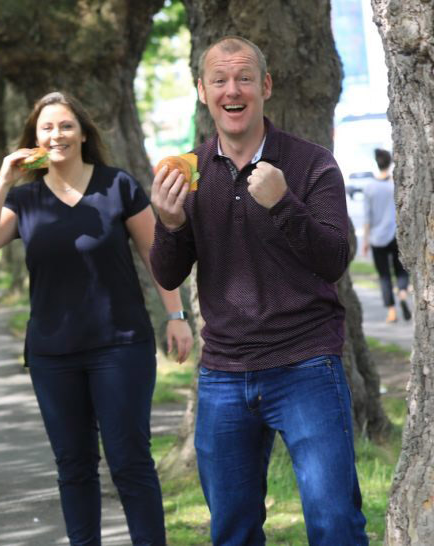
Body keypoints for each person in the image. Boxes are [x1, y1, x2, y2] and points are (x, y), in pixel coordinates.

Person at [149, 36, 368, 545]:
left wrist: (284, 203)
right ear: (202, 91)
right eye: (220, 80)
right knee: (232, 530)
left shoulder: (312, 163)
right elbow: (167, 272)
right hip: (225, 375)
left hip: (306, 366)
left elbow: (334, 260)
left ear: (265, 86)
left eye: (245, 77)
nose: (233, 89)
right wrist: (170, 222)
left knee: (335, 523)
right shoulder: (188, 171)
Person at [0, 91, 193, 546]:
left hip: (120, 345)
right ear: (34, 138)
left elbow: (158, 256)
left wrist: (177, 315)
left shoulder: (118, 186)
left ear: (84, 133)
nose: (57, 135)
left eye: (66, 126)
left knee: (129, 460)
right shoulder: (26, 199)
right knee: (73, 465)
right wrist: (2, 181)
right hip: (53, 353)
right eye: (46, 128)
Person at [362, 148, 411, 322]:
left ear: (377, 163)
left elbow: (367, 217)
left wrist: (365, 240)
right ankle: (403, 294)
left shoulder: (369, 187)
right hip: (397, 235)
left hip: (377, 238)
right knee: (401, 271)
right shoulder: (395, 184)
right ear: (390, 163)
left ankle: (391, 311)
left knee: (384, 275)